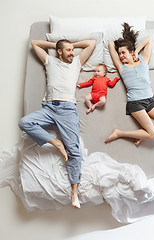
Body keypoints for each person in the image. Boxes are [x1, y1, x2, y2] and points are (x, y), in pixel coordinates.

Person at [18, 38, 96, 208]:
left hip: (68, 110)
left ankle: (74, 190)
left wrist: (71, 45)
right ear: (59, 52)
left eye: (72, 50)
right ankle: (57, 143)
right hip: (48, 107)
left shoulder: (76, 62)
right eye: (67, 50)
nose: (72, 53)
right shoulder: (50, 61)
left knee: (74, 150)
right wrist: (57, 45)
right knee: (24, 123)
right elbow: (34, 43)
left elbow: (92, 43)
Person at [105, 23, 154, 145]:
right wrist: (121, 46)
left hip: (150, 100)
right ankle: (119, 133)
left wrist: (137, 51)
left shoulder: (143, 60)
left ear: (131, 52)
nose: (121, 56)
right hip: (135, 103)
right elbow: (110, 44)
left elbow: (149, 39)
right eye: (119, 53)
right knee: (152, 135)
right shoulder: (121, 67)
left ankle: (142, 132)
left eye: (123, 52)